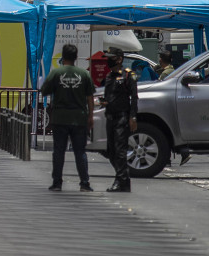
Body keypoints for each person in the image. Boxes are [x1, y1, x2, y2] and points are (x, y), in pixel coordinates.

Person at [40, 44, 95, 192]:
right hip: (79, 118)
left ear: (63, 57)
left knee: (59, 151)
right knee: (80, 152)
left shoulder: (56, 73)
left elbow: (44, 90)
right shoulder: (84, 74)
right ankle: (84, 183)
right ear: (76, 57)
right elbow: (90, 97)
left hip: (60, 118)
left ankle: (57, 183)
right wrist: (90, 116)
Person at [103, 47, 139, 192]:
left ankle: (121, 180)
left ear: (119, 59)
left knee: (120, 151)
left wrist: (133, 117)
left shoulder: (128, 75)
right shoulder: (109, 76)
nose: (108, 60)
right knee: (110, 151)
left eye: (111, 57)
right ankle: (124, 179)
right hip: (110, 117)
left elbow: (134, 98)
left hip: (121, 117)